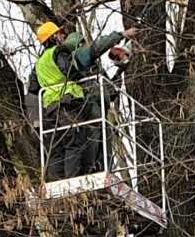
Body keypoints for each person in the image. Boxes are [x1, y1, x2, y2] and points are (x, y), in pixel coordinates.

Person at [28, 20, 138, 179]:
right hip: (68, 103)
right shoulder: (65, 54)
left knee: (58, 147)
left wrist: (118, 73)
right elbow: (81, 60)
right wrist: (121, 35)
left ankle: (60, 181)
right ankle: (78, 176)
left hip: (51, 109)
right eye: (60, 34)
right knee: (75, 141)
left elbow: (33, 87)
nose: (62, 36)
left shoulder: (41, 63)